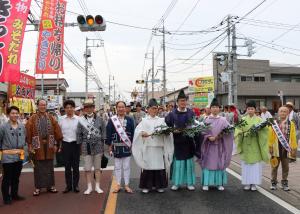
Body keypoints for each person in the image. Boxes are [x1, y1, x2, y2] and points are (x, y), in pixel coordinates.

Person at [132, 98, 174, 193]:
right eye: (152, 108)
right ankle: (147, 186)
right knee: (148, 166)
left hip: (159, 148)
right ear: (148, 109)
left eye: (156, 108)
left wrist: (166, 133)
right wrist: (142, 133)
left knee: (159, 166)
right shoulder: (144, 120)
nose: (154, 110)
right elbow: (137, 131)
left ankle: (159, 185)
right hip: (148, 148)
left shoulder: (161, 120)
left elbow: (167, 131)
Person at [26, 99, 63, 196]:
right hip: (37, 144)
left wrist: (55, 144)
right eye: (41, 105)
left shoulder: (51, 117)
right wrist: (29, 145)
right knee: (38, 166)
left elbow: (56, 131)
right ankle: (38, 187)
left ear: (46, 106)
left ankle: (50, 186)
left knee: (49, 166)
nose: (42, 107)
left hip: (49, 144)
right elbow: (28, 132)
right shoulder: (32, 118)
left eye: (44, 105)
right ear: (37, 106)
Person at [165, 90, 197, 191]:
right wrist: (173, 130)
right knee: (178, 163)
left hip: (188, 142)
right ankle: (177, 183)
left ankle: (189, 183)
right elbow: (167, 126)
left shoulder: (191, 112)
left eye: (184, 100)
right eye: (181, 101)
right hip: (177, 142)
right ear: (177, 102)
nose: (183, 102)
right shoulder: (172, 114)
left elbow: (195, 125)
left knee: (188, 163)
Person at [199, 98, 234, 191]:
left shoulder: (223, 120)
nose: (215, 109)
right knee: (208, 163)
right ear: (210, 109)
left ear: (219, 109)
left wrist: (222, 134)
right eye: (213, 107)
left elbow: (229, 131)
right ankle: (206, 183)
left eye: (217, 107)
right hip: (209, 146)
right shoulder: (206, 120)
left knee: (219, 164)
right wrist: (208, 136)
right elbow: (201, 132)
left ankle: (219, 183)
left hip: (219, 146)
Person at [235, 100, 269, 191]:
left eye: (252, 109)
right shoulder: (243, 120)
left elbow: (265, 131)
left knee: (255, 165)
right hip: (246, 144)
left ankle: (254, 184)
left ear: (255, 110)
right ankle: (247, 183)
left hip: (255, 144)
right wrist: (241, 133)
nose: (250, 110)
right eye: (249, 109)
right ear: (246, 109)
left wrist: (259, 131)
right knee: (246, 165)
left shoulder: (259, 120)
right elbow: (237, 129)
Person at [77, 100, 106, 195]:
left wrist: (102, 147)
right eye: (87, 107)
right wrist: (81, 146)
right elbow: (78, 134)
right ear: (84, 109)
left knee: (97, 168)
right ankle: (89, 187)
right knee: (88, 168)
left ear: (94, 108)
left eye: (90, 107)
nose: (89, 109)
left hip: (98, 145)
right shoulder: (81, 120)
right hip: (86, 146)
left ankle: (97, 186)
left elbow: (103, 133)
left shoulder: (100, 119)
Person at [106, 101, 135, 193]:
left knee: (126, 166)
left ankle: (126, 185)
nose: (121, 109)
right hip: (116, 147)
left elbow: (133, 133)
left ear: (125, 108)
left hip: (127, 146)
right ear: (116, 108)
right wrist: (109, 146)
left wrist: (132, 145)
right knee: (117, 166)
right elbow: (109, 133)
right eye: (119, 107)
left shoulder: (130, 119)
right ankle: (118, 184)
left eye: (123, 107)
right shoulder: (112, 120)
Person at [0, 106, 26, 204]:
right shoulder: (3, 127)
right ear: (8, 114)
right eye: (12, 113)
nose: (15, 115)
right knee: (7, 177)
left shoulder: (22, 126)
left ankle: (15, 194)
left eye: (16, 113)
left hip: (19, 155)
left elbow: (24, 137)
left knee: (16, 177)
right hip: (7, 156)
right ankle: (6, 197)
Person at [268, 106, 297, 191]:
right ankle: (273, 182)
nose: (283, 113)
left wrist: (293, 148)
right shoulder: (273, 123)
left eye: (285, 111)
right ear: (278, 112)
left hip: (286, 149)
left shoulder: (291, 123)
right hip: (275, 147)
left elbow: (293, 137)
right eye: (281, 111)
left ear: (288, 113)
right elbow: (270, 135)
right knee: (274, 166)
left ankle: (284, 182)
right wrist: (270, 146)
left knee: (285, 167)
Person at [59, 100, 80, 193]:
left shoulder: (79, 119)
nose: (69, 109)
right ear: (65, 109)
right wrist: (59, 146)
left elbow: (82, 133)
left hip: (76, 144)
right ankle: (68, 186)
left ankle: (76, 185)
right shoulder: (61, 119)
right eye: (67, 107)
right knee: (67, 166)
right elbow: (59, 133)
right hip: (65, 144)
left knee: (76, 166)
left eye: (71, 107)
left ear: (74, 108)